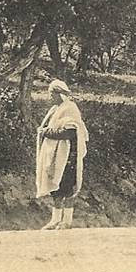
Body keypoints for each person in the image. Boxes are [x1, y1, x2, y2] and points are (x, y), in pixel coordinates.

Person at [36, 79, 89, 230]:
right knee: (56, 189)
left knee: (67, 188)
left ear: (59, 94)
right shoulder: (55, 109)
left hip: (67, 157)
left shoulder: (70, 109)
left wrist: (47, 132)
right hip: (56, 156)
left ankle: (67, 221)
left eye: (52, 94)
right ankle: (55, 220)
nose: (50, 97)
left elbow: (69, 132)